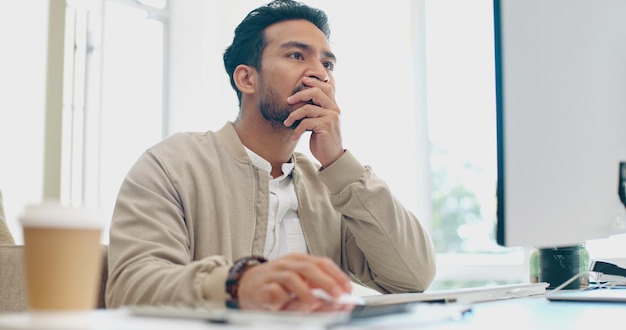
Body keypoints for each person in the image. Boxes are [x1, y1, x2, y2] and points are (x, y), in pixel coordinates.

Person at [105, 0, 436, 311]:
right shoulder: (172, 165)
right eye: (296, 55)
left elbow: (413, 276)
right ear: (247, 78)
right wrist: (238, 283)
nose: (320, 74)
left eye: (328, 63)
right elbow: (130, 288)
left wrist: (338, 162)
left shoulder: (334, 187)